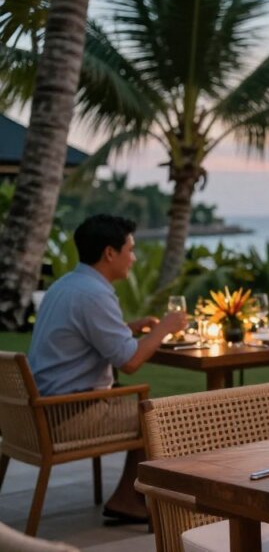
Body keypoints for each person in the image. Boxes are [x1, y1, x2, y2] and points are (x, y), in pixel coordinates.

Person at [28, 214, 188, 524]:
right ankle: (130, 499)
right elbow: (129, 363)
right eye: (130, 249)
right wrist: (166, 327)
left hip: (41, 409)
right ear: (110, 253)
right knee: (158, 414)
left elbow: (84, 335)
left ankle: (129, 496)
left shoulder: (67, 285)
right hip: (68, 415)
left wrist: (131, 327)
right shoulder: (94, 294)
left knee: (144, 410)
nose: (133, 257)